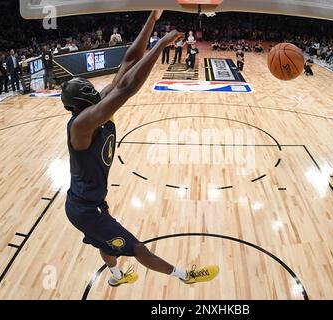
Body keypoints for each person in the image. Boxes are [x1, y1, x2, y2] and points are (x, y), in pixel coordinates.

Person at [62, 11, 219, 288]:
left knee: (106, 242)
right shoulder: (82, 125)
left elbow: (128, 62)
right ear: (80, 100)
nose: (93, 89)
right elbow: (128, 88)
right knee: (136, 247)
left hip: (89, 203)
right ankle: (185, 276)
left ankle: (116, 277)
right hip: (85, 209)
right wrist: (161, 44)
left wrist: (152, 19)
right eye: (87, 89)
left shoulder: (94, 110)